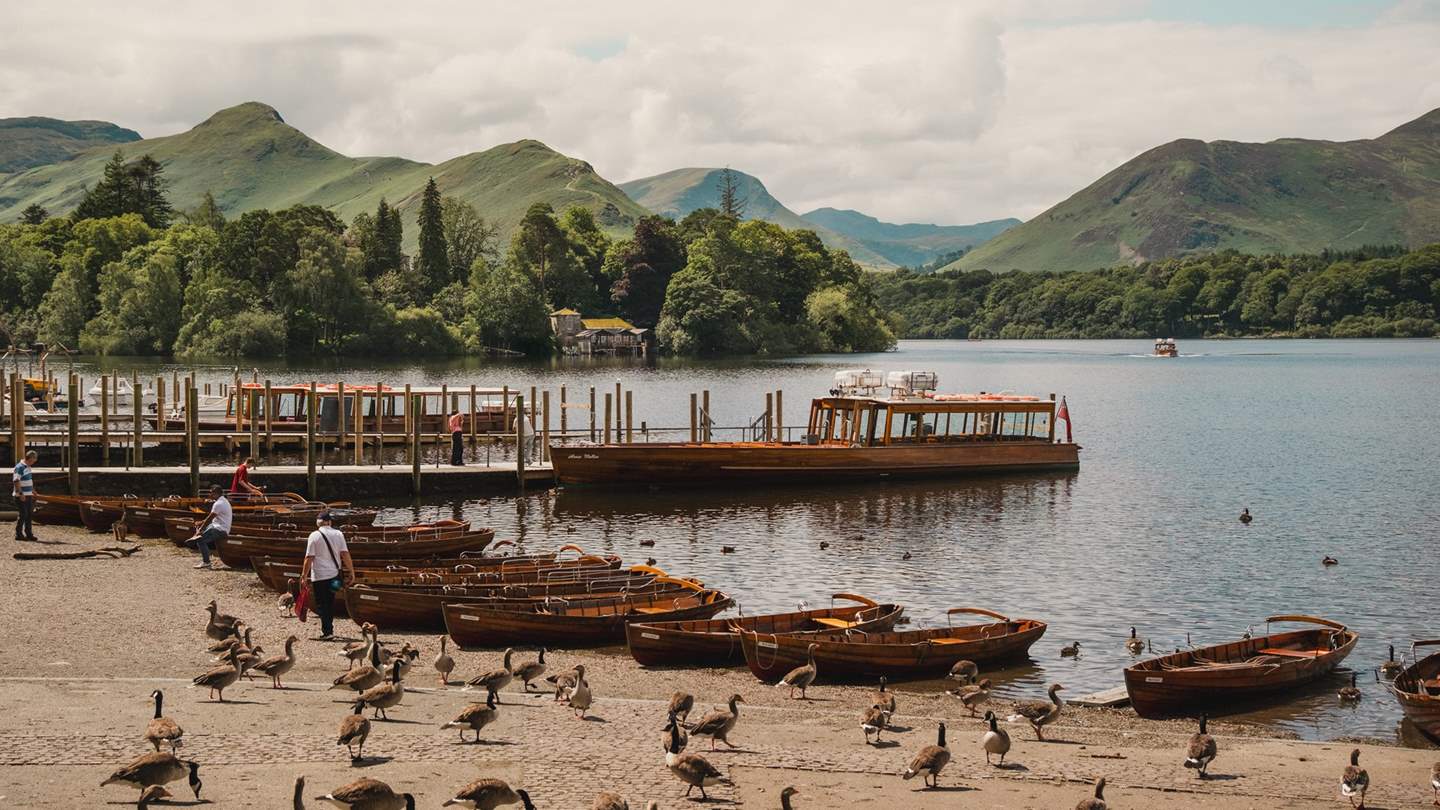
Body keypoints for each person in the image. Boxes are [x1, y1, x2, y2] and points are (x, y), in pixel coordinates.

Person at [300, 511, 354, 640]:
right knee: (330, 600)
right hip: (336, 576)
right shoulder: (339, 534)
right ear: (330, 522)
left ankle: (327, 631)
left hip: (319, 576)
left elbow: (309, 558)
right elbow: (345, 554)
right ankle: (329, 629)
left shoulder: (314, 535)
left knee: (321, 603)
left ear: (318, 522)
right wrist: (352, 571)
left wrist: (304, 575)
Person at [190, 485, 232, 569]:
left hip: (220, 529)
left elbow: (210, 518)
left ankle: (206, 562)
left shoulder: (218, 504)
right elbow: (211, 518)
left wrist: (201, 529)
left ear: (216, 493)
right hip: (218, 526)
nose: (210, 495)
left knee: (200, 540)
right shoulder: (223, 501)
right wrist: (202, 523)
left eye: (211, 493)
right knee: (201, 534)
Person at [12, 450, 38, 542]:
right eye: (34, 459)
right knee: (23, 514)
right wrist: (21, 494)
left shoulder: (28, 467)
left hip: (29, 494)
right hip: (21, 495)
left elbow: (29, 480)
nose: (34, 461)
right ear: (30, 458)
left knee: (29, 515)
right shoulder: (19, 467)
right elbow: (16, 481)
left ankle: (29, 533)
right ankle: (18, 534)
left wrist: (33, 490)